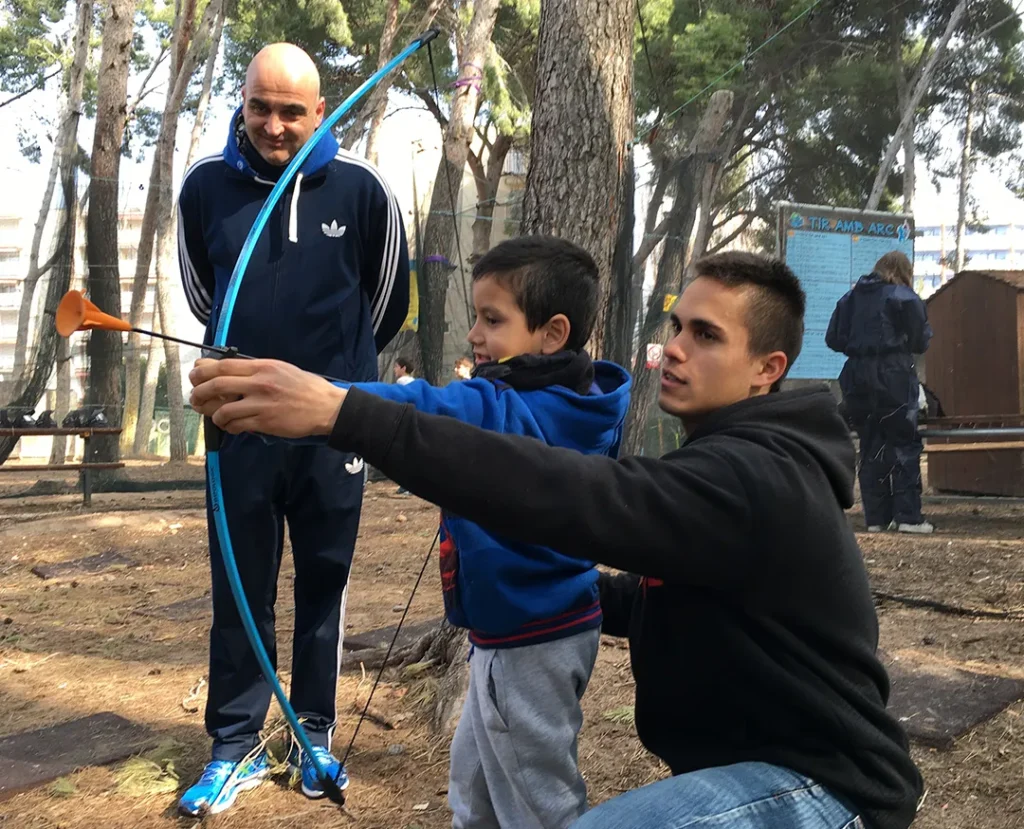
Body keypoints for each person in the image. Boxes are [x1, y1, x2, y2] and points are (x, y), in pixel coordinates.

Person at [191, 250, 924, 829]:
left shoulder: (757, 477)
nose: (674, 348)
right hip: (755, 773)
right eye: (676, 325)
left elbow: (574, 495)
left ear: (768, 369)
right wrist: (573, 599)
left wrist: (340, 410)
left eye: (706, 336)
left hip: (825, 793)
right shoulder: (731, 461)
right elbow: (662, 595)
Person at [198, 235, 631, 828]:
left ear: (553, 334)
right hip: (508, 635)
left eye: (492, 320)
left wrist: (322, 404)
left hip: (533, 638)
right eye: (477, 317)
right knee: (473, 785)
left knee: (538, 802)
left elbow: (436, 412)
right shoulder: (564, 400)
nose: (475, 334)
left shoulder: (535, 413)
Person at [175, 42, 410, 816]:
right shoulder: (205, 188)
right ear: (242, 103)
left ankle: (312, 728)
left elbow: (387, 302)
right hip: (238, 424)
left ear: (320, 110)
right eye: (260, 106)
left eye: (292, 110)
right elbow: (207, 293)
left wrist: (332, 386)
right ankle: (233, 743)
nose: (274, 125)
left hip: (333, 425)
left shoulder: (363, 187)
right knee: (237, 584)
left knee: (325, 580)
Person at [826, 251, 933, 534]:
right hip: (893, 374)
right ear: (904, 270)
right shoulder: (904, 296)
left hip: (856, 377)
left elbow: (833, 338)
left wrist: (859, 346)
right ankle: (909, 517)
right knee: (903, 442)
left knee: (871, 445)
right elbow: (921, 341)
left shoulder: (850, 298)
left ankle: (877, 518)